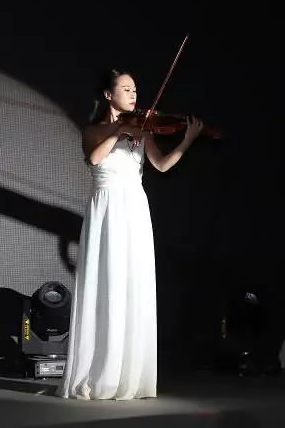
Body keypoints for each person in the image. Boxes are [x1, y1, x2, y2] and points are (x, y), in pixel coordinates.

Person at [57, 69, 204, 400]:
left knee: (132, 284)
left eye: (135, 89)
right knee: (105, 283)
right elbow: (94, 158)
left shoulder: (142, 129)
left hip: (135, 208)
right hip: (106, 209)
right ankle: (99, 373)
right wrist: (119, 131)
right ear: (109, 95)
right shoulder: (94, 130)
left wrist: (187, 140)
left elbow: (162, 165)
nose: (134, 94)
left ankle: (129, 375)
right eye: (126, 89)